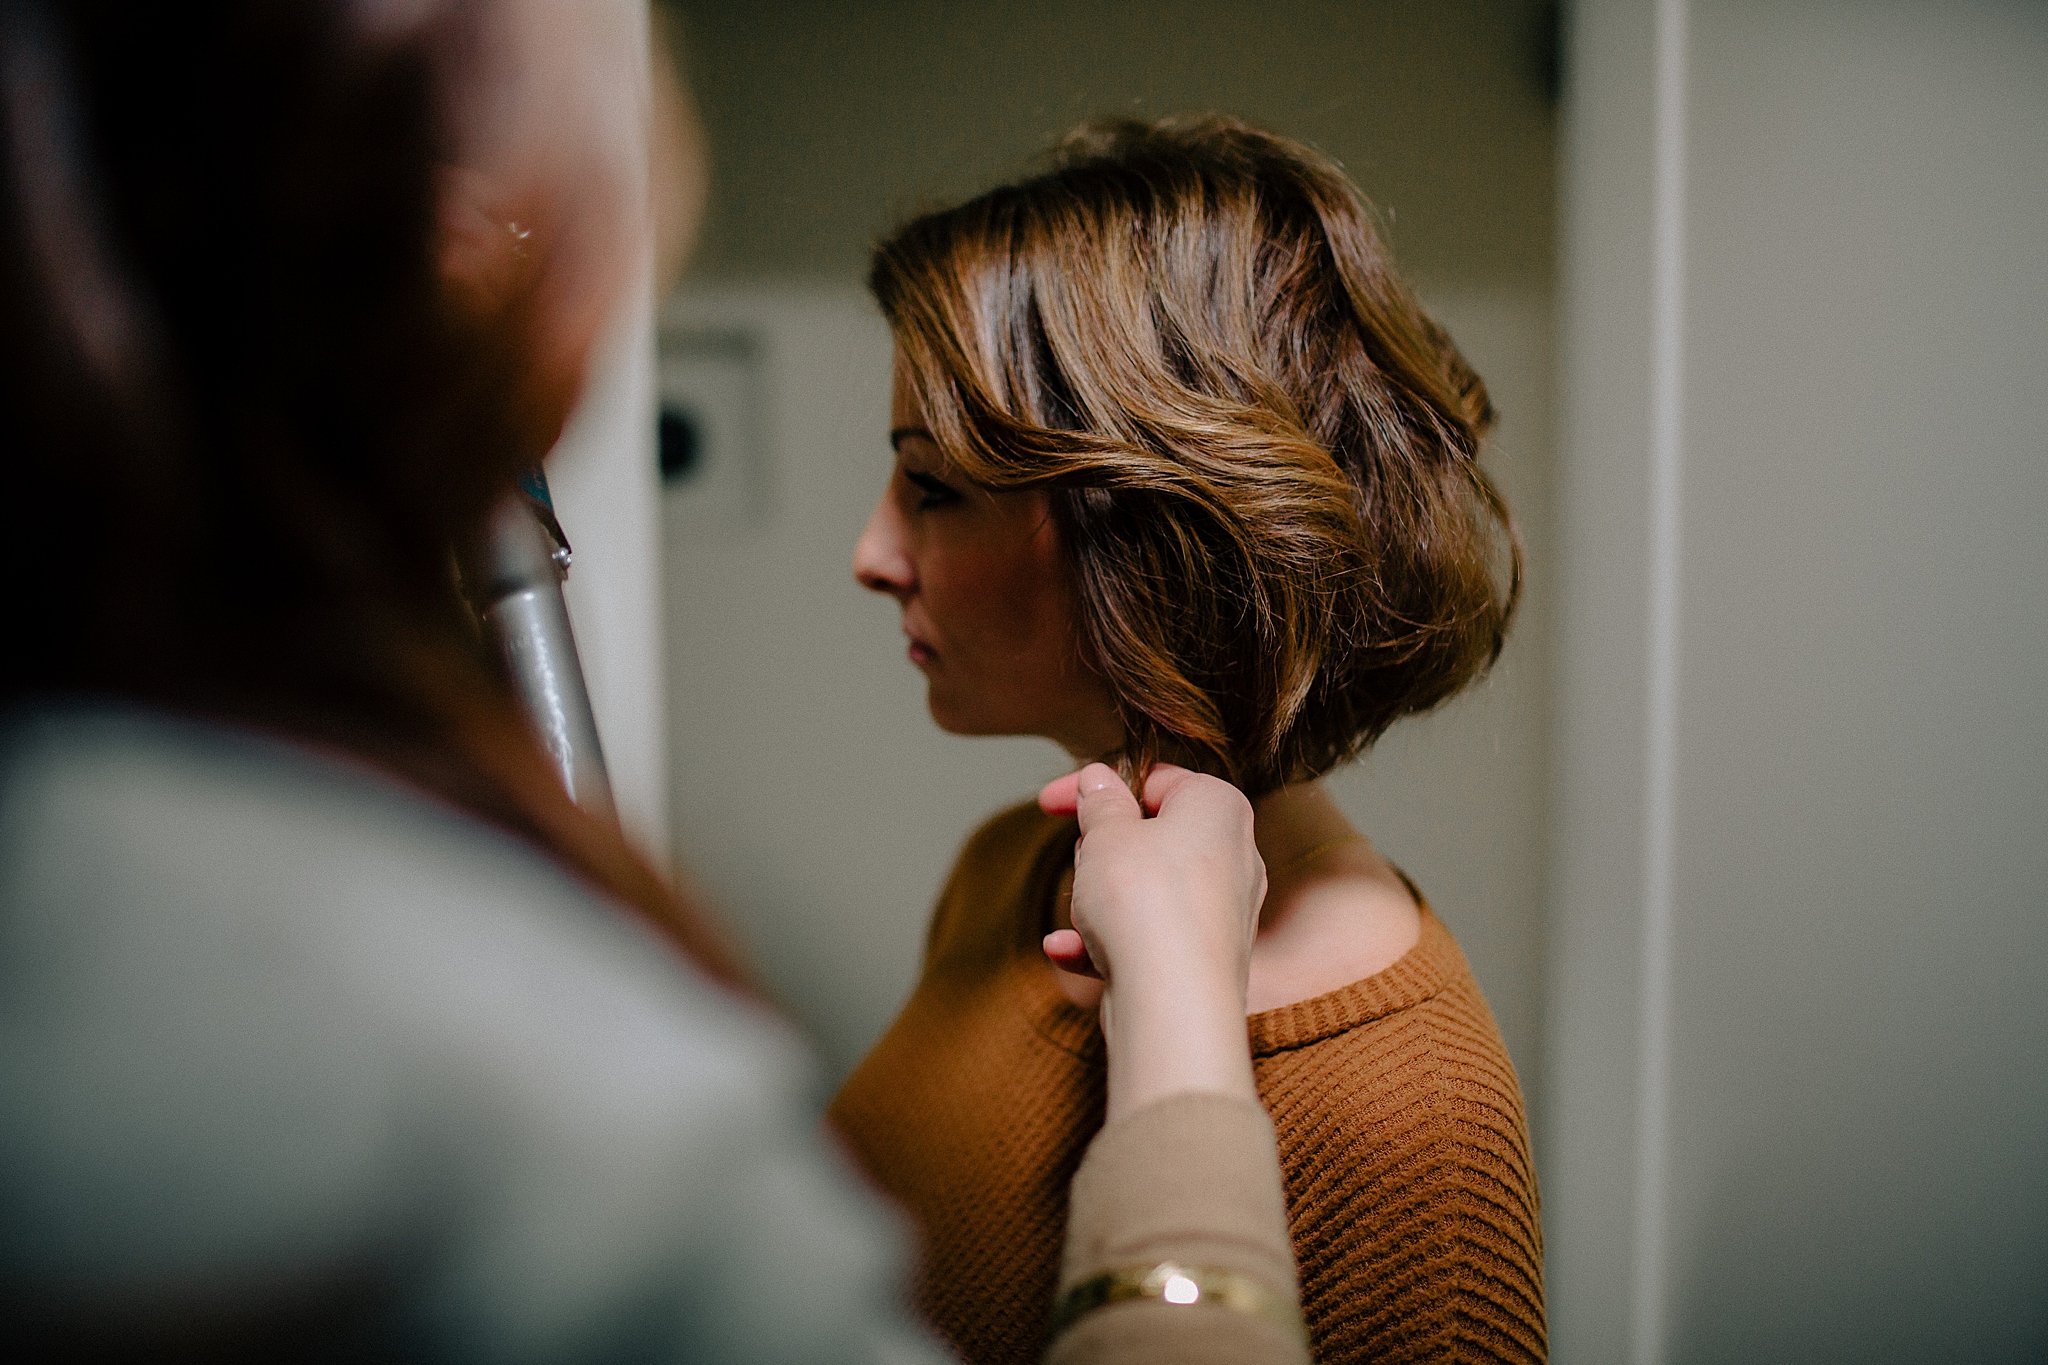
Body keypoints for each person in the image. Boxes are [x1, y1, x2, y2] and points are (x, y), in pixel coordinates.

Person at [0, 5, 1309, 1361]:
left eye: (930, 487)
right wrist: (1180, 1021)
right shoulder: (558, 1115)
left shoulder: (1383, 1090)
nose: (867, 557)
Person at [833, 116, 1546, 1363]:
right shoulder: (1010, 871)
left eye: (932, 487)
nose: (872, 556)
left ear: (1153, 536)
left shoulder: (1406, 1109)